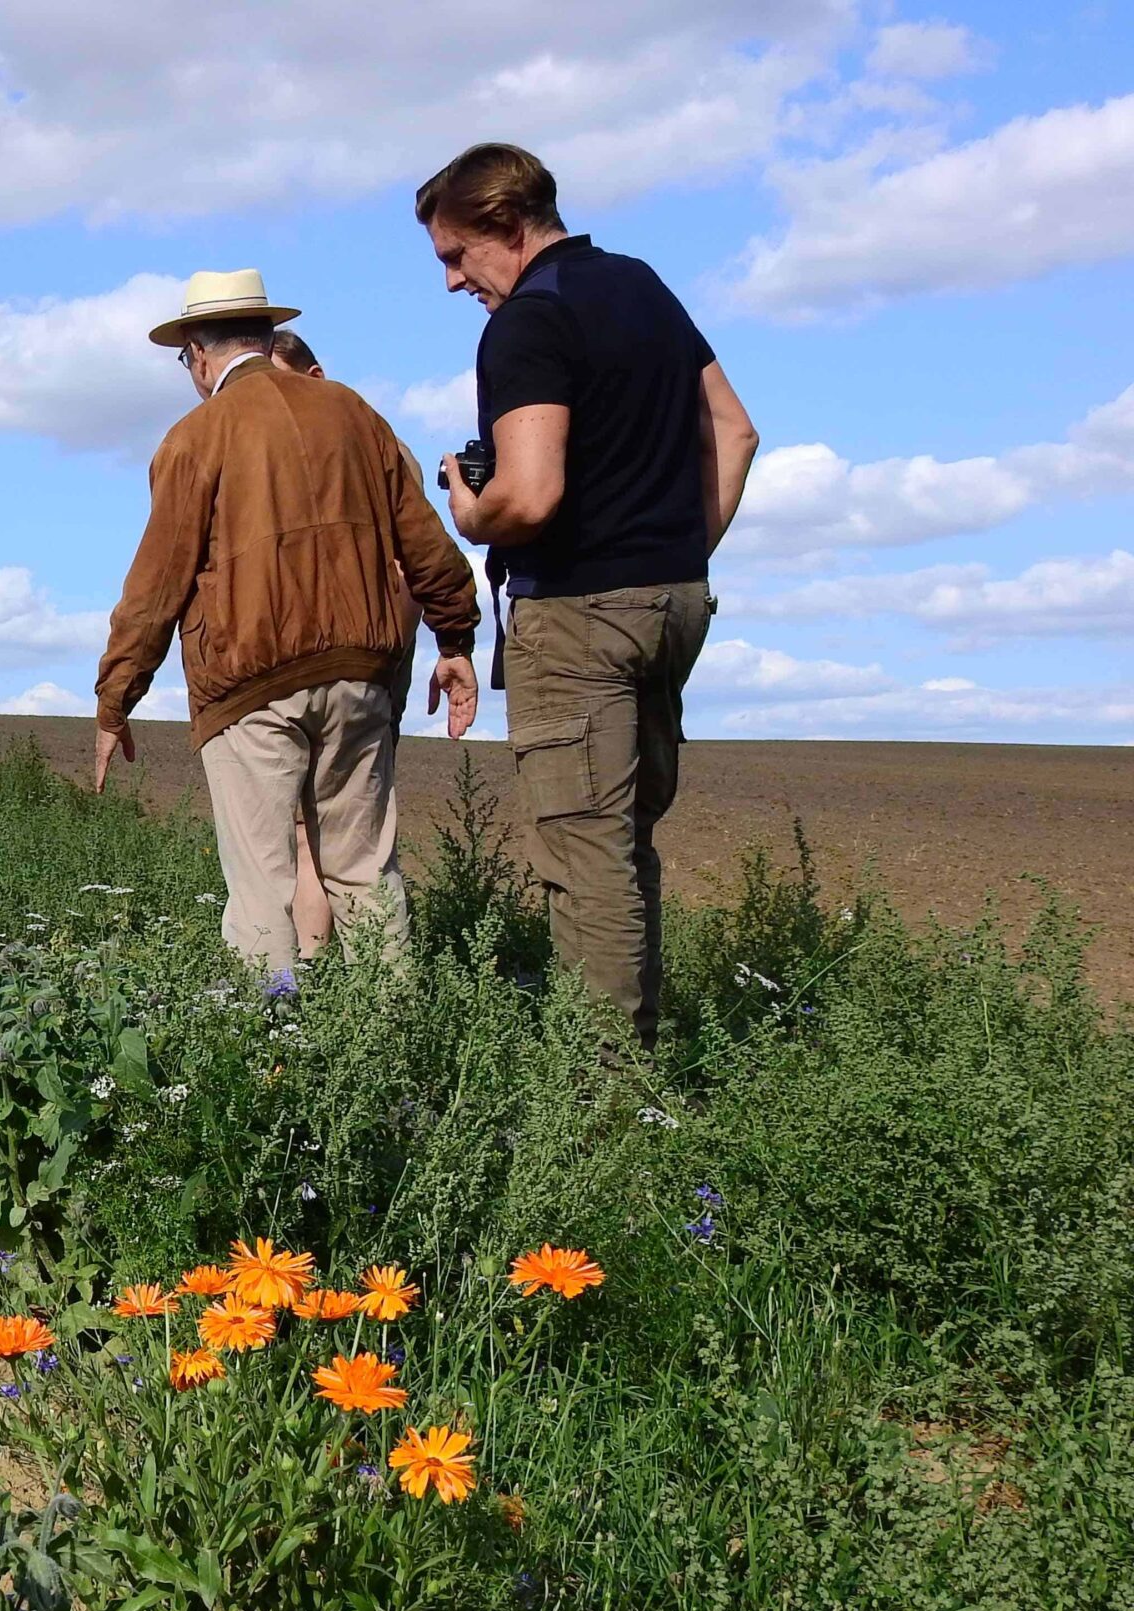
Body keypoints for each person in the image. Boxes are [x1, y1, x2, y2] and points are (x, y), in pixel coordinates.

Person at [416, 142, 759, 1047]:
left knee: (582, 855)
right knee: (626, 840)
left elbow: (529, 495)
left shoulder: (527, 322)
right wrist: (676, 551)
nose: (455, 282)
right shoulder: (643, 285)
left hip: (578, 617)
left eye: (457, 256)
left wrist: (467, 507)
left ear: (505, 224)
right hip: (673, 603)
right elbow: (736, 429)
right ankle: (635, 1072)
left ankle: (605, 1102)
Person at [92, 270, 482, 975]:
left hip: (249, 685)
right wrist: (455, 640)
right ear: (268, 335)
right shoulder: (356, 414)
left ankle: (269, 1056)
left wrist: (116, 699)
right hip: (364, 675)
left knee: (263, 888)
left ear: (197, 356)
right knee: (365, 871)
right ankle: (389, 1046)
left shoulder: (194, 437)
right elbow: (428, 545)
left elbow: (155, 586)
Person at [268, 328, 428, 954]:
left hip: (353, 674)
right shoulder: (371, 445)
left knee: (329, 846)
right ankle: (352, 1003)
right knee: (326, 842)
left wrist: (382, 664)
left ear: (314, 377)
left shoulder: (369, 449)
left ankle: (314, 994)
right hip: (349, 672)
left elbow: (411, 573)